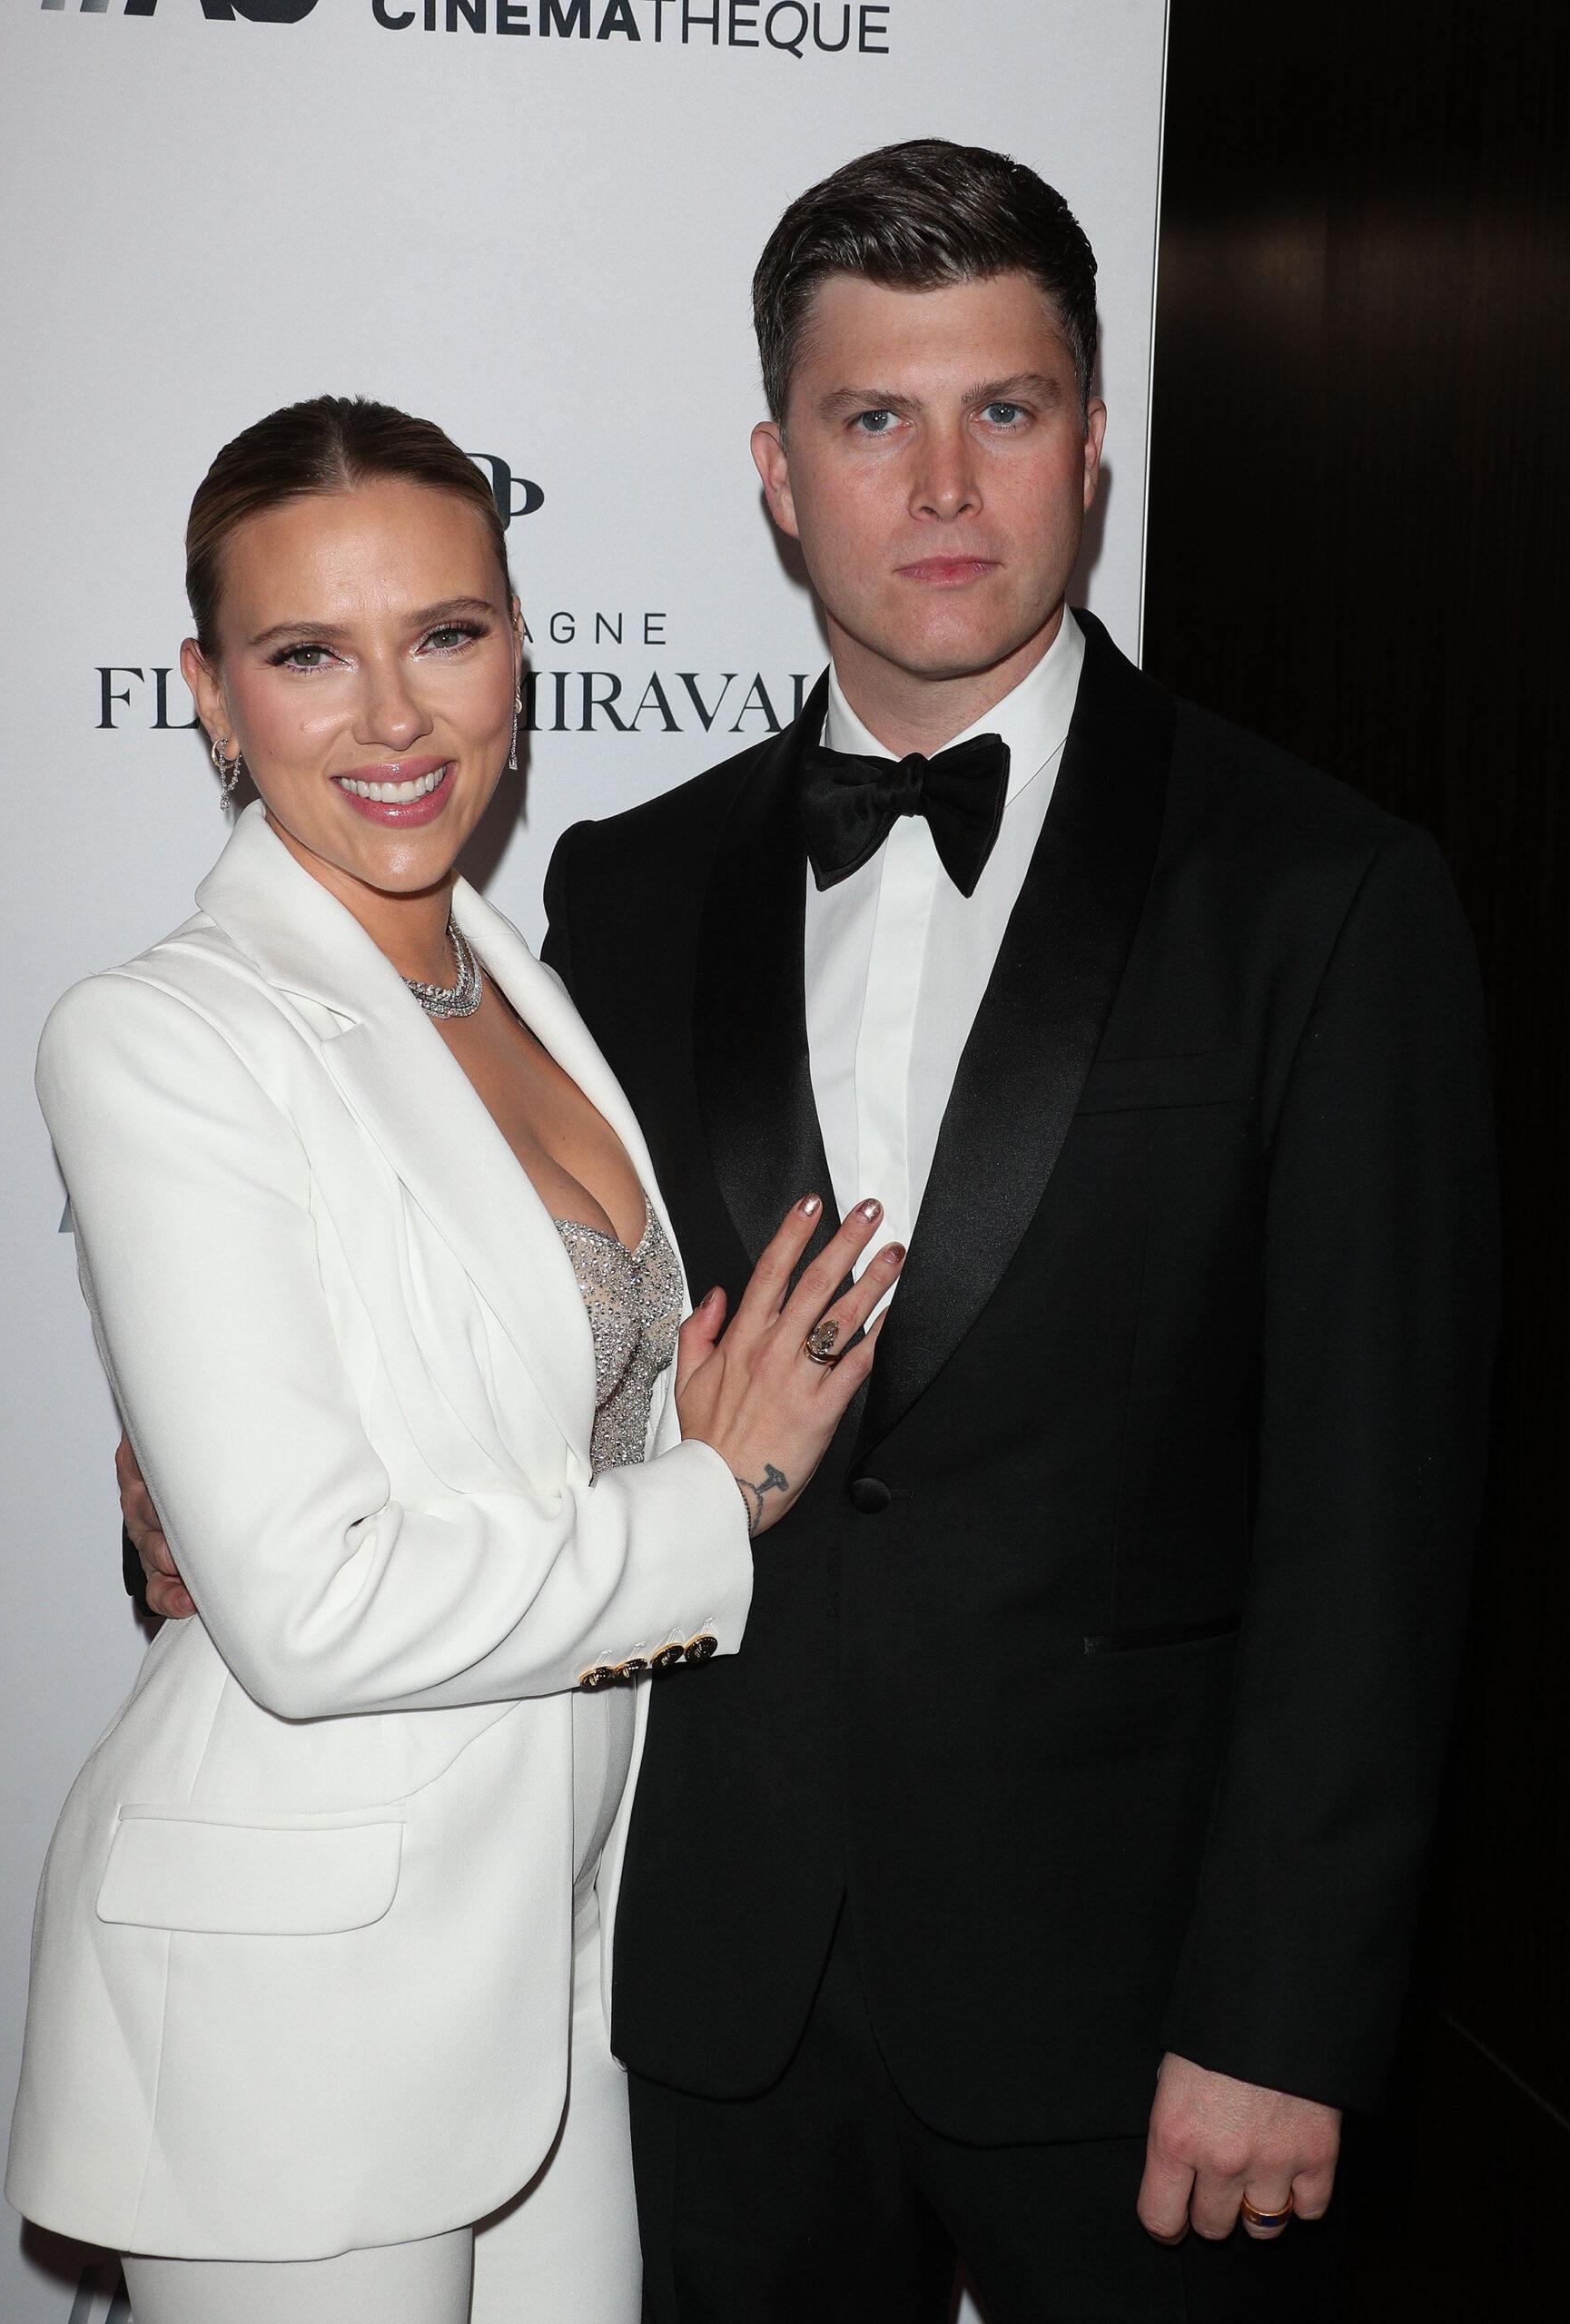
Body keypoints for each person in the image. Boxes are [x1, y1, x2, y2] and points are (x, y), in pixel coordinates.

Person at [128, 143, 1500, 2320]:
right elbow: (487, 1307)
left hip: (1140, 2008)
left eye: (1008, 411)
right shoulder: (619, 890)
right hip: (698, 1983)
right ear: (779, 471)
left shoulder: (1319, 891)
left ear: (1097, 440)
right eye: (876, 420)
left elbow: (1382, 1515)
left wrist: (1285, 2010)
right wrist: (195, 1459)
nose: (944, 486)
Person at [7, 394, 897, 2324]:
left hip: (557, 1958)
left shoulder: (523, 976)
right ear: (210, 695)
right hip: (298, 2000)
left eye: (447, 633)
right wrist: (716, 1493)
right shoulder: (166, 1034)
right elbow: (312, 1608)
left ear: (517, 645)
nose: (394, 718)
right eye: (308, 654)